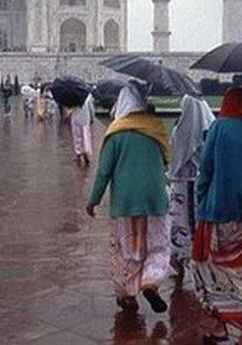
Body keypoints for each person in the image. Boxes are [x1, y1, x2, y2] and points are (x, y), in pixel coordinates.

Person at [192, 87, 242, 342]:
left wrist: (202, 197)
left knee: (213, 268)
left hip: (220, 210)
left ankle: (221, 325)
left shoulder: (219, 128)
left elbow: (206, 168)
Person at [87, 83, 172, 313]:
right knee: (158, 246)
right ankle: (151, 283)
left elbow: (104, 172)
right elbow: (166, 160)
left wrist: (93, 200)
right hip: (155, 199)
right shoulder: (155, 129)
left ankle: (127, 296)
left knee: (127, 249)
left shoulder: (117, 133)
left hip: (126, 202)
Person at [167, 94, 215, 281]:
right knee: (196, 223)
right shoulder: (210, 129)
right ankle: (198, 260)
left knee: (181, 223)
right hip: (201, 186)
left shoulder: (180, 131)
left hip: (181, 184)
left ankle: (180, 261)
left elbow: (175, 158)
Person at [70, 93, 96, 165]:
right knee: (86, 138)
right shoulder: (88, 97)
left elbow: (71, 108)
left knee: (77, 137)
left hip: (75, 119)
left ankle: (78, 154)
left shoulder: (73, 97)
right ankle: (86, 155)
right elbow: (91, 109)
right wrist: (92, 118)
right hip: (85, 120)